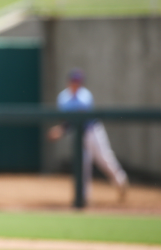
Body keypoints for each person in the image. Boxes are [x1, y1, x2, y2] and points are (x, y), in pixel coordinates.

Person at [48, 69, 128, 201]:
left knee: (105, 160)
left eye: (78, 81)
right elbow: (65, 120)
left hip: (93, 131)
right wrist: (61, 129)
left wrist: (61, 130)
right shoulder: (63, 97)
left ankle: (121, 181)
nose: (75, 84)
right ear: (68, 82)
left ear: (81, 83)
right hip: (79, 134)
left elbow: (78, 117)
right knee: (83, 164)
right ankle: (83, 197)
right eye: (73, 81)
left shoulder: (85, 95)